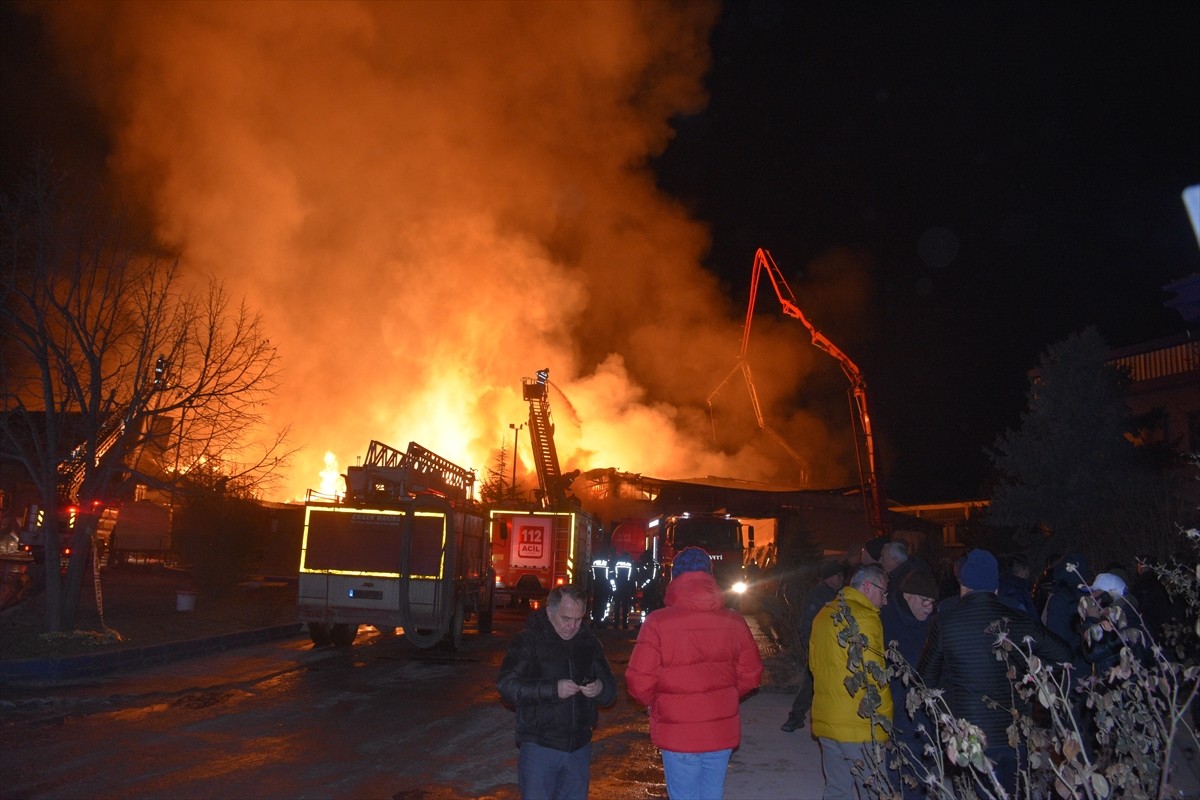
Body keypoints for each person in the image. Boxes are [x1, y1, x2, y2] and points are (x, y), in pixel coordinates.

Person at [919, 549, 1073, 797]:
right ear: (996, 588)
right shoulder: (1018, 621)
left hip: (968, 736)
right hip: (1014, 737)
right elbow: (1064, 655)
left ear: (963, 585)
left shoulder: (945, 623)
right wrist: (1032, 679)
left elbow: (924, 681)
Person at [626, 546, 763, 800]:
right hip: (719, 731)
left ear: (675, 578)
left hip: (678, 732)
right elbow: (752, 674)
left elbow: (638, 680)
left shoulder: (657, 622)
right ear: (710, 576)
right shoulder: (733, 621)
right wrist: (726, 694)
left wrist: (654, 702)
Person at [498, 585, 618, 799]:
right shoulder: (528, 641)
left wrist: (599, 688)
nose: (572, 626)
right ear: (549, 611)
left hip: (579, 749)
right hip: (540, 747)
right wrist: (553, 689)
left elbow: (611, 692)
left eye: (579, 619)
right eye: (566, 618)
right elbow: (507, 686)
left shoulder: (588, 643)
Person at [810, 563, 893, 800]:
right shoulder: (865, 617)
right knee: (876, 791)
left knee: (837, 790)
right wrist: (884, 724)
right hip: (858, 724)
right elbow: (875, 677)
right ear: (867, 586)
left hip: (828, 719)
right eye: (883, 592)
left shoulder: (825, 614)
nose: (885, 600)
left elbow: (814, 666)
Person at [880, 568, 938, 800]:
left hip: (926, 718)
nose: (930, 607)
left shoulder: (933, 624)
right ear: (907, 596)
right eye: (925, 601)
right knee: (904, 780)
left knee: (921, 779)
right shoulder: (885, 621)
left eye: (933, 602)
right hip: (897, 714)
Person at [781, 557, 845, 732]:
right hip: (820, 648)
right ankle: (795, 717)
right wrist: (810, 647)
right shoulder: (817, 596)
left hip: (835, 649)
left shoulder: (840, 595)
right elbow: (807, 623)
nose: (842, 579)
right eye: (839, 576)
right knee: (811, 683)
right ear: (830, 577)